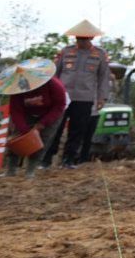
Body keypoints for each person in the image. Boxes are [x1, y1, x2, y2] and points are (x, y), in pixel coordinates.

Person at [48, 20, 112, 169]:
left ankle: (69, 160)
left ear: (91, 38)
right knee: (55, 128)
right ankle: (46, 160)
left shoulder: (100, 54)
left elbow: (103, 77)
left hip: (85, 98)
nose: (81, 41)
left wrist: (102, 97)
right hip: (63, 97)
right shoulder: (65, 52)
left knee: (77, 130)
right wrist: (51, 94)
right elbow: (55, 73)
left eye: (84, 38)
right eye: (78, 38)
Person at [1, 60, 68, 178]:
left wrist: (42, 124)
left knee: (43, 139)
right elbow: (16, 111)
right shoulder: (17, 90)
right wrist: (24, 130)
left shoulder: (54, 85)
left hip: (51, 113)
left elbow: (59, 105)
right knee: (16, 136)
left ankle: (31, 170)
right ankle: (11, 170)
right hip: (28, 113)